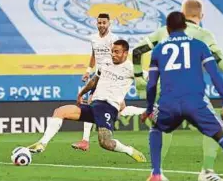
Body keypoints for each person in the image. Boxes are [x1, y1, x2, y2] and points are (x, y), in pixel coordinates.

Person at [133, 0, 223, 181]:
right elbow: (217, 56)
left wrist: (138, 78)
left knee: (160, 128)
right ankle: (207, 172)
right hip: (191, 90)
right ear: (202, 15)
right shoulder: (203, 35)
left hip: (164, 89)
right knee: (217, 126)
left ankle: (157, 173)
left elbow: (137, 51)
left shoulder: (162, 33)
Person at [28, 40, 147, 163]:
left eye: (117, 52)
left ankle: (129, 150)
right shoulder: (106, 63)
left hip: (108, 108)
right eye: (112, 51)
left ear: (125, 53)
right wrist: (81, 93)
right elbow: (94, 80)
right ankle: (42, 143)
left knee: (105, 143)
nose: (113, 55)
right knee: (60, 111)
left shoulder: (131, 68)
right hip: (94, 105)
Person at [72, 13, 119, 151]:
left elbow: (118, 57)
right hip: (98, 76)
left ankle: (87, 140)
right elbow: (94, 55)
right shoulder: (93, 38)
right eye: (99, 23)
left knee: (116, 106)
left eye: (104, 23)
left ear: (109, 23)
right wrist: (88, 70)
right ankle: (85, 140)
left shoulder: (114, 39)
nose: (101, 25)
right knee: (93, 104)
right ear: (96, 23)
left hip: (109, 76)